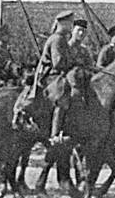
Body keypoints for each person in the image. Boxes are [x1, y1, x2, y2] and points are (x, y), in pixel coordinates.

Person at [17, 11, 76, 140]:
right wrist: (73, 63)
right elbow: (58, 63)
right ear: (62, 23)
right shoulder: (57, 39)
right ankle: (55, 134)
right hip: (49, 76)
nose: (72, 26)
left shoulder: (61, 38)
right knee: (63, 93)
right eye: (70, 23)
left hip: (55, 75)